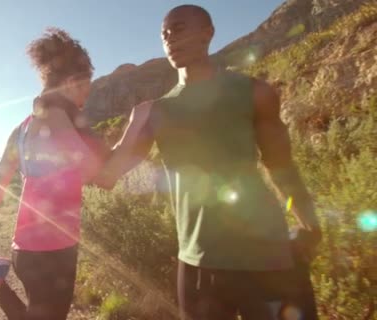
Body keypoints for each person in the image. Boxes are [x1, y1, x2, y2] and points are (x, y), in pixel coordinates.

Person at [94, 5, 322, 320]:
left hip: (268, 256)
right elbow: (107, 176)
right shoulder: (154, 111)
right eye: (165, 34)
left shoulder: (253, 92)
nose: (170, 38)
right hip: (199, 262)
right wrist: (124, 125)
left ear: (208, 32)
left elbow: (282, 167)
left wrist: (310, 224)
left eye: (179, 28)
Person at [0, 27, 106, 320]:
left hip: (24, 250)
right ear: (73, 81)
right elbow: (100, 174)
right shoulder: (59, 121)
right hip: (55, 251)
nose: (87, 94)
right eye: (87, 85)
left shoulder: (19, 130)